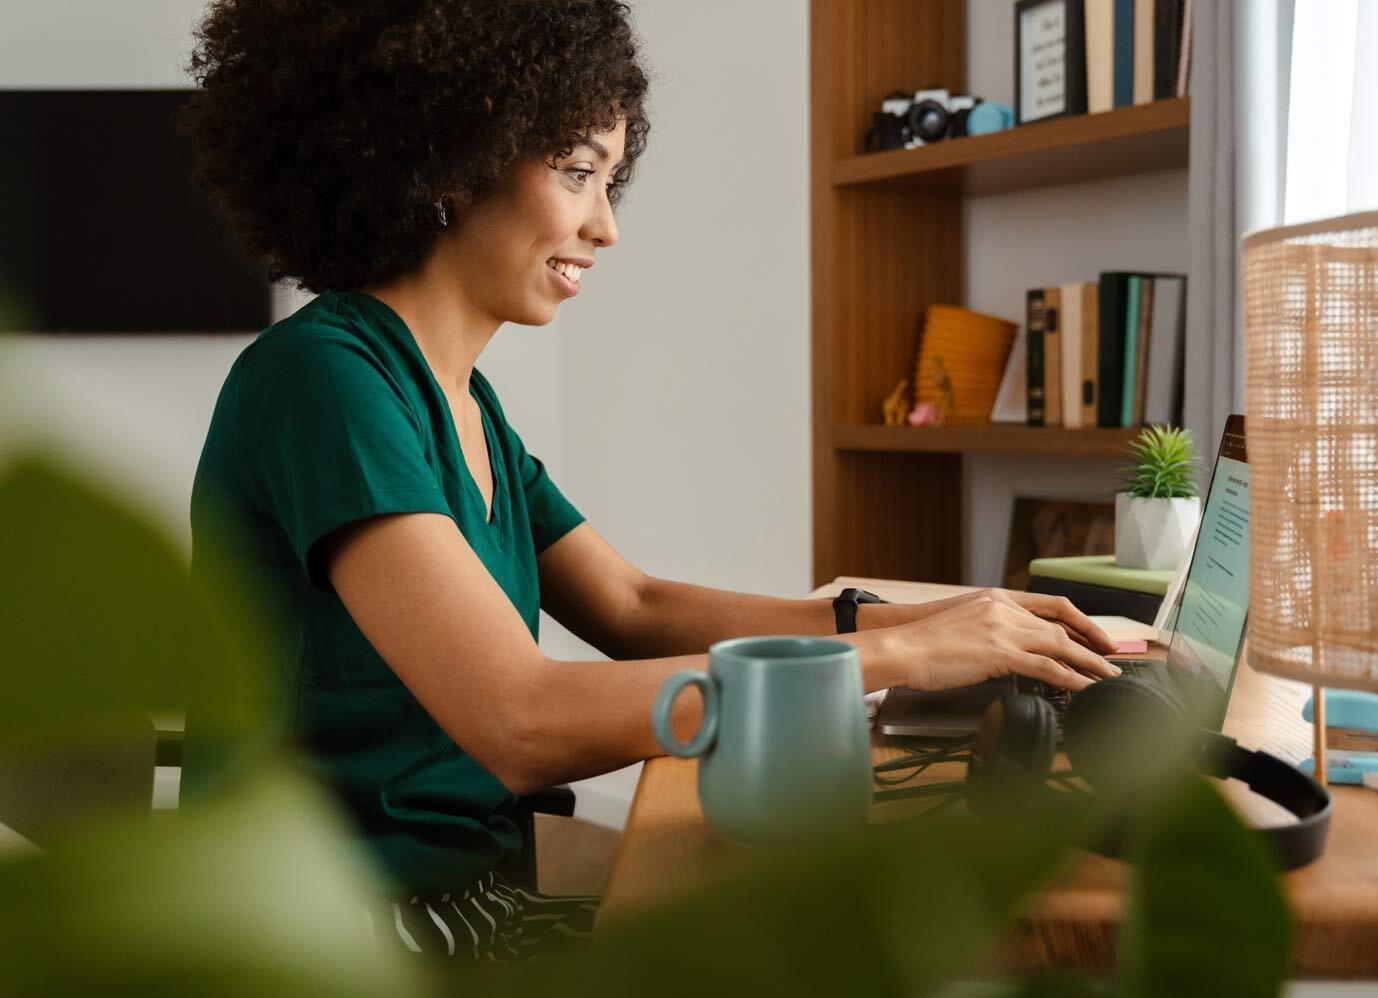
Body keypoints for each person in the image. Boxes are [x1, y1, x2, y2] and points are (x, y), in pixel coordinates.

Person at [180, 0, 1119, 962]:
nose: (606, 225)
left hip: (462, 902)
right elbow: (521, 720)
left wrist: (947, 623)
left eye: (607, 178)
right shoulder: (325, 381)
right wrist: (899, 664)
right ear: (450, 159)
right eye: (578, 172)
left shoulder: (464, 405)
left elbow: (632, 603)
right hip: (333, 941)